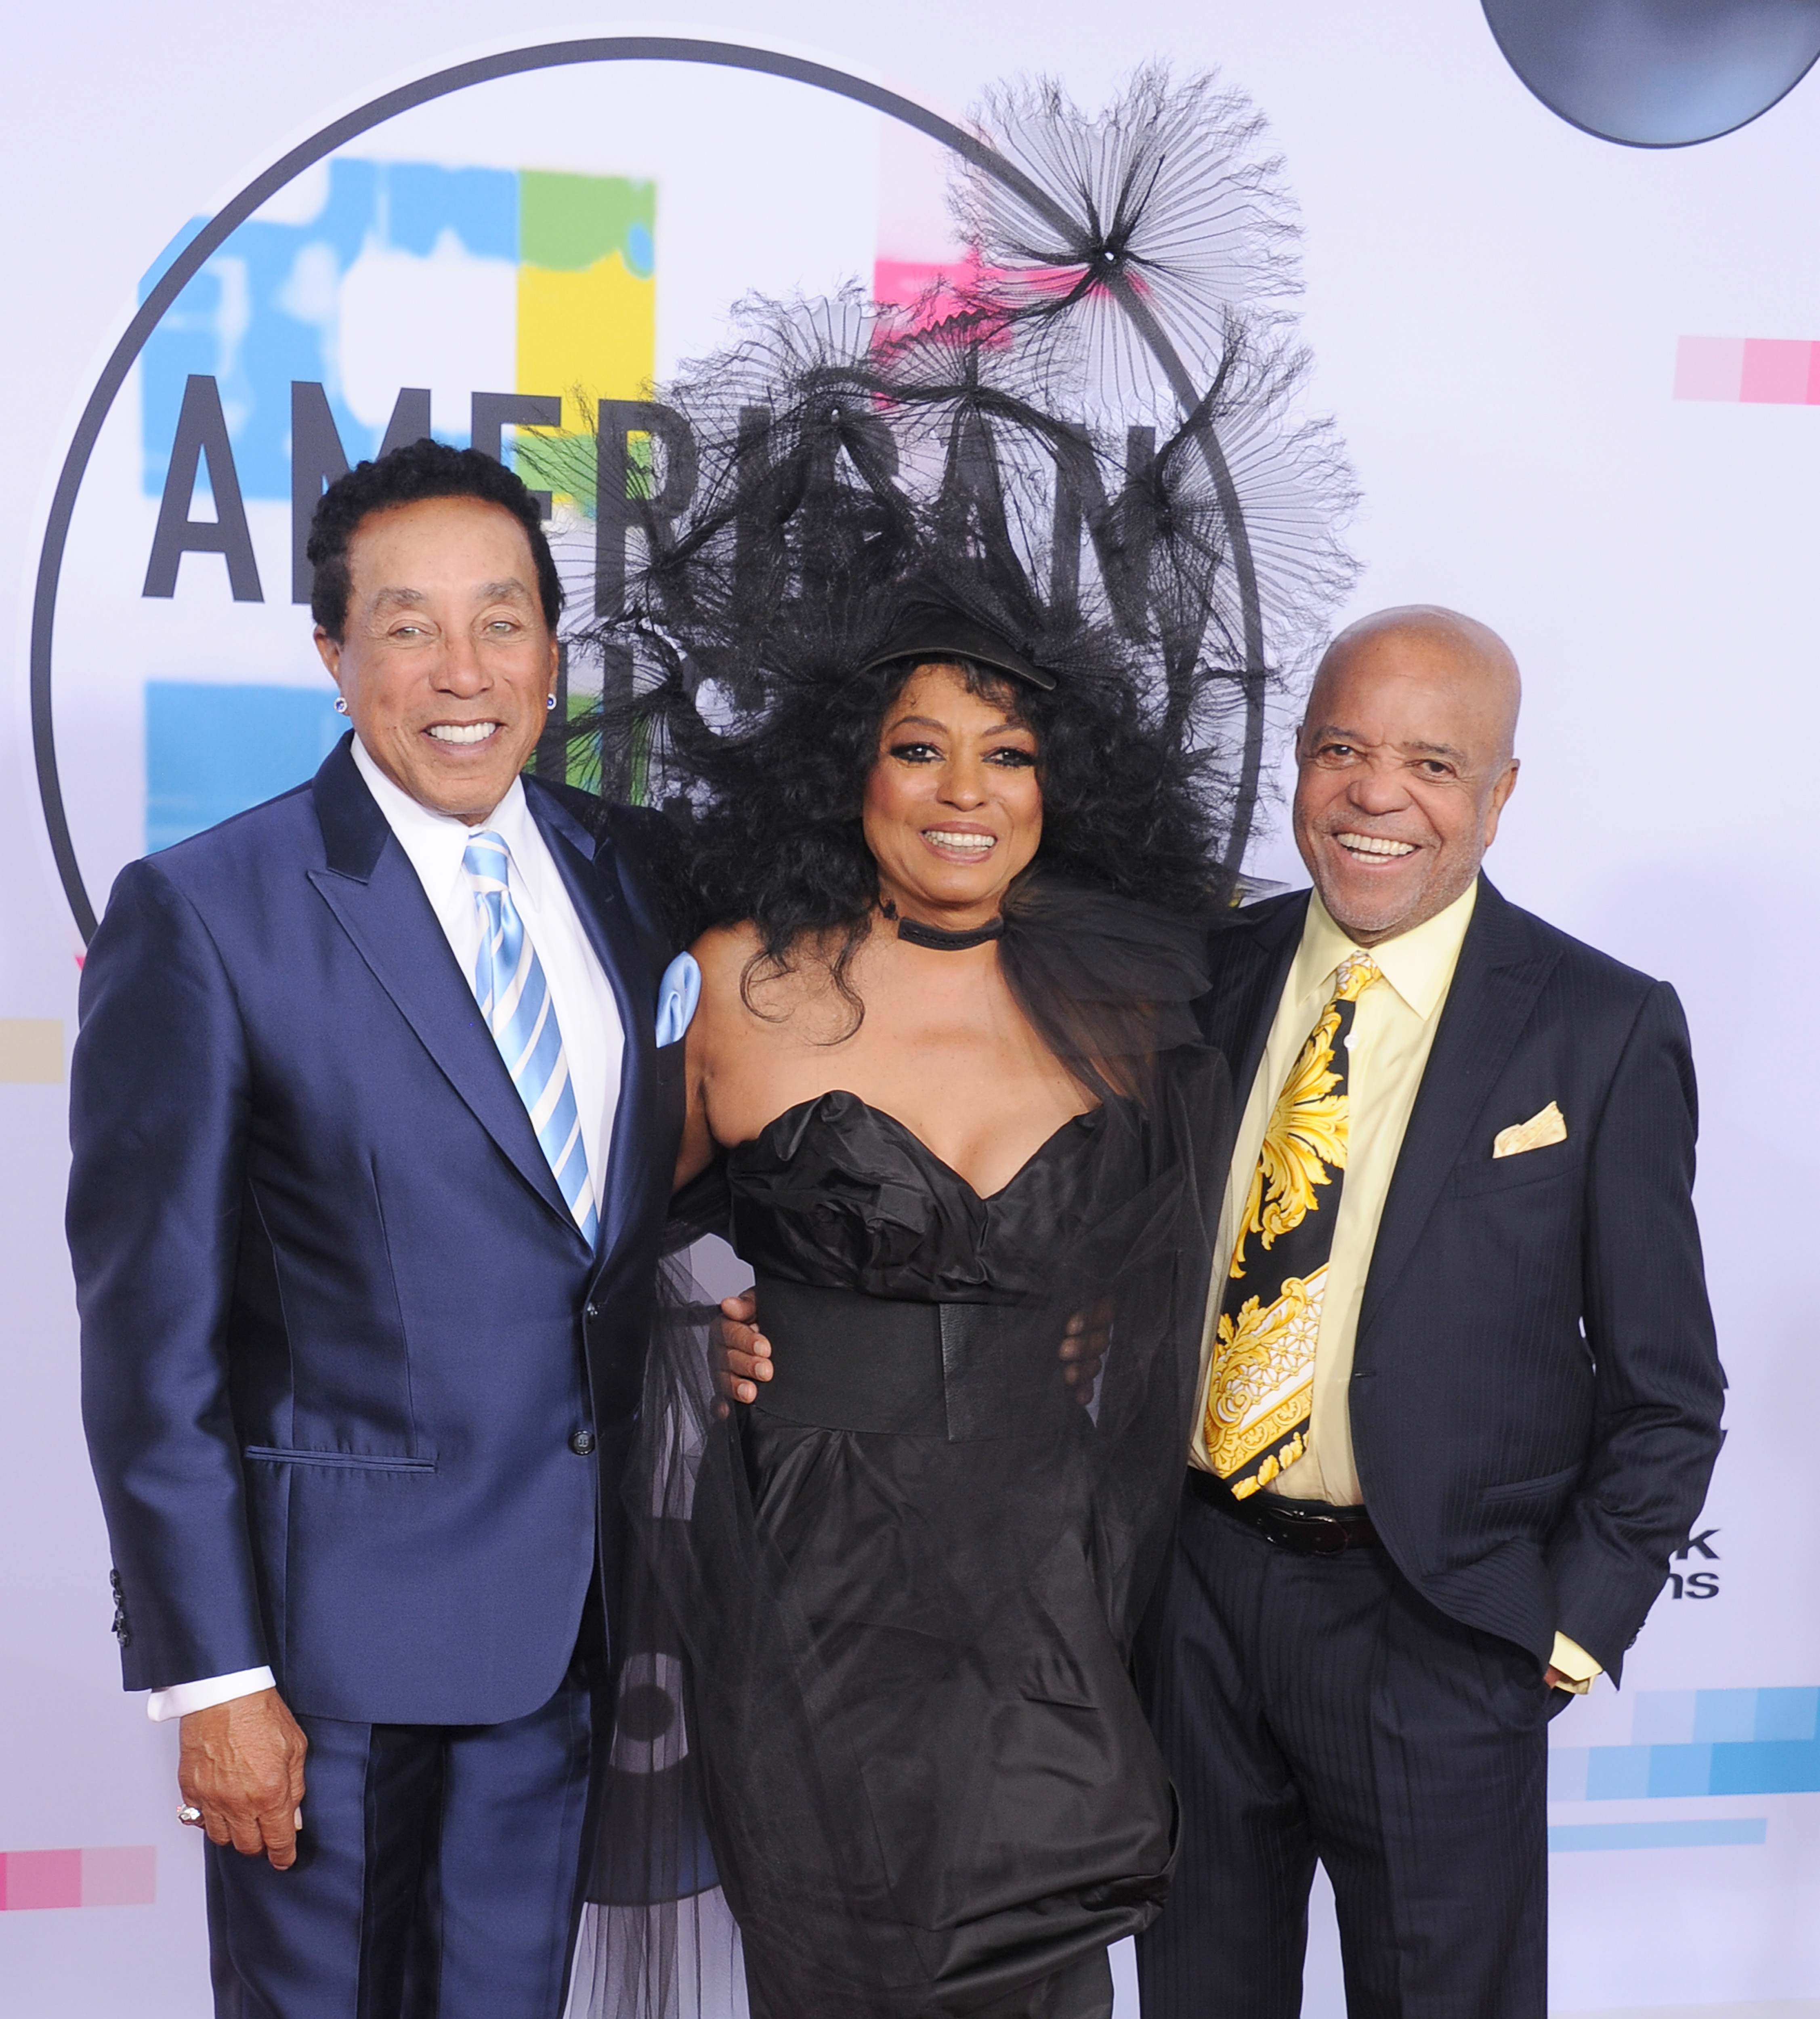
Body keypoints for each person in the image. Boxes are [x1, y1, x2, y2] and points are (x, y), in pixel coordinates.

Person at [69, 440, 686, 2017]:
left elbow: (611, 1218)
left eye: (501, 619)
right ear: (334, 656)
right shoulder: (207, 911)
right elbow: (154, 1338)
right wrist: (213, 1676)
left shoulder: (631, 871)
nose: (461, 670)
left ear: (554, 649)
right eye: (407, 626)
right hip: (326, 1668)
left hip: (562, 1640)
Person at [1133, 605, 1726, 2019]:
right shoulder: (1191, 975)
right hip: (1191, 1604)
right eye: (1341, 749)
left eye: (1431, 763)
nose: (1375, 795)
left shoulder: (1599, 1024)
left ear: (1500, 793)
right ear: (1294, 764)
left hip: (1436, 1625)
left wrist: (1563, 1635)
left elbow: (1666, 1389)